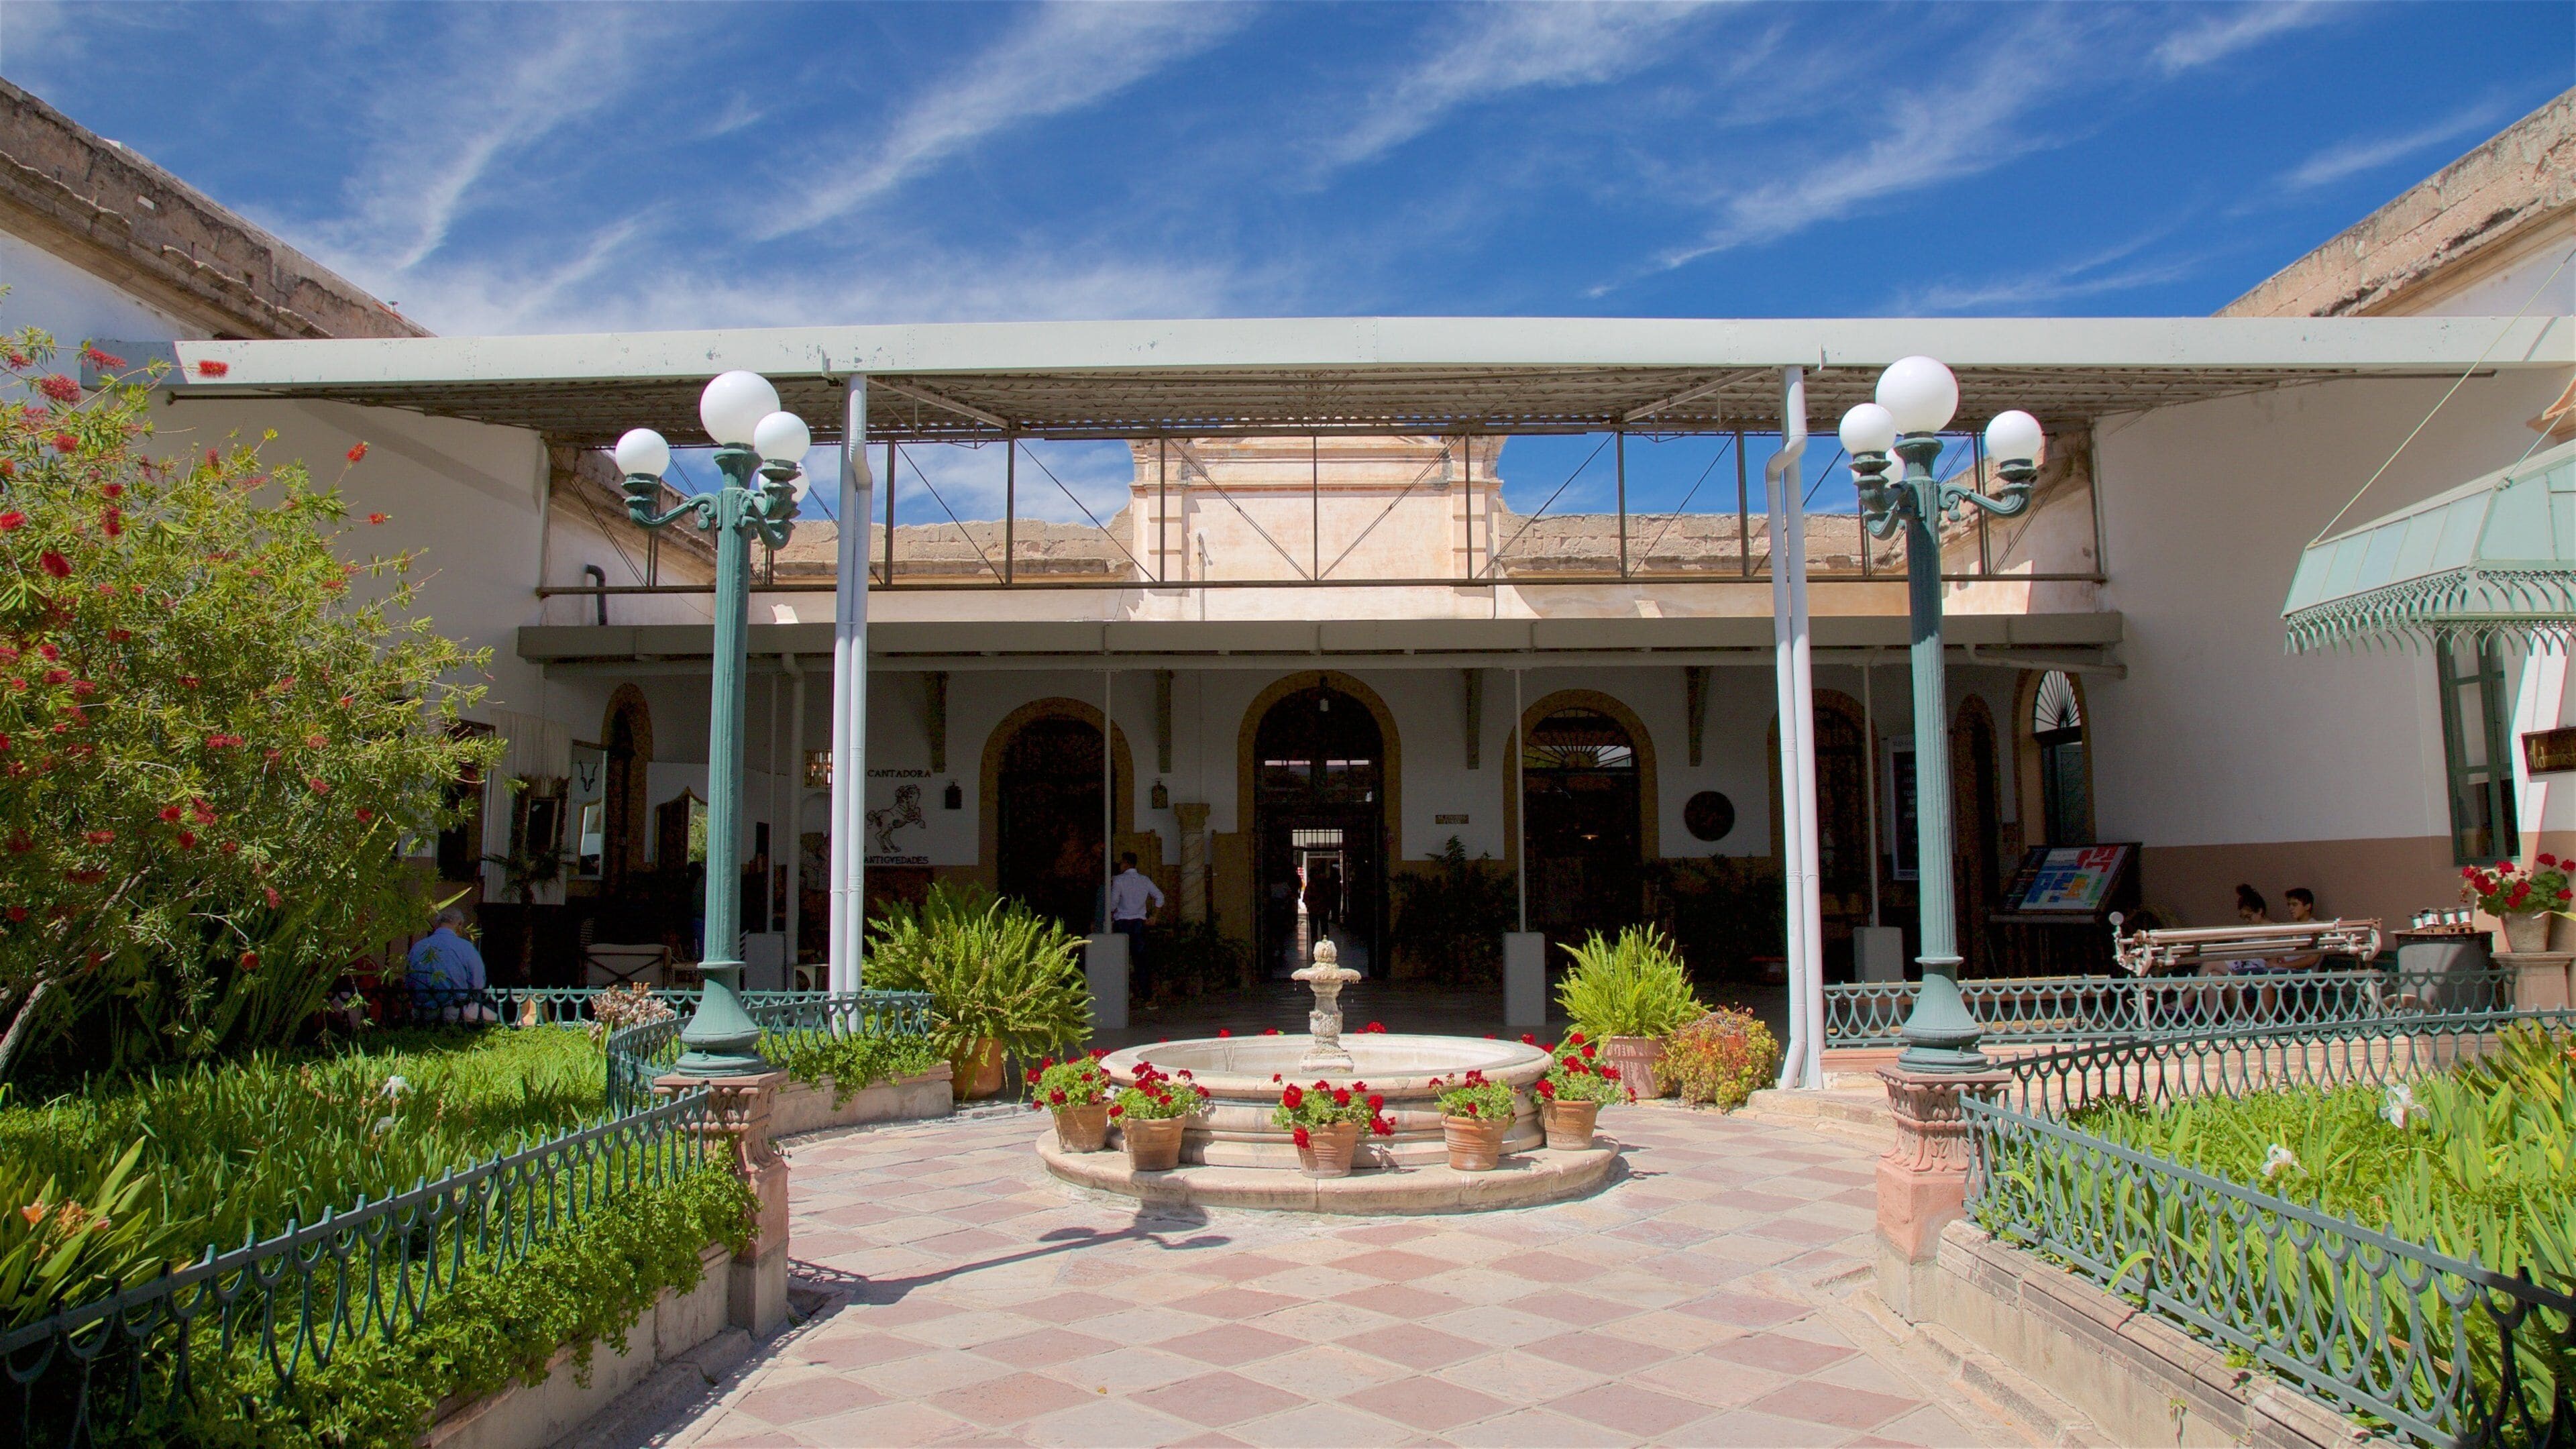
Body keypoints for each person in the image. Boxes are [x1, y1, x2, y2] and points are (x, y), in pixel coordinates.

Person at [406, 907, 496, 1023]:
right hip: (455, 1010)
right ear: (460, 925)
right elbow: (478, 983)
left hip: (422, 1012)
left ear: (437, 924)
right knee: (498, 1022)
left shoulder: (418, 947)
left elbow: (409, 981)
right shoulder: (465, 947)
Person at [1108, 851, 1165, 981]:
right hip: (1139, 922)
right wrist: (1154, 916)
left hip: (1122, 922)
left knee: (1120, 957)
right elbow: (1160, 897)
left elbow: (1114, 901)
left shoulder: (1118, 880)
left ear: (1126, 864)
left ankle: (1120, 987)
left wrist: (1110, 914)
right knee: (1140, 958)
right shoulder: (1144, 880)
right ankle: (1145, 991)